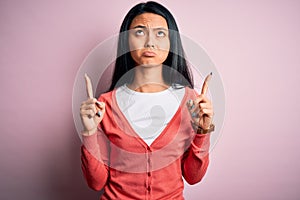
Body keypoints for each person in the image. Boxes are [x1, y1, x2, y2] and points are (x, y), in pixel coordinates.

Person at [79, 1, 214, 199]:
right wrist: (90, 132)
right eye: (140, 32)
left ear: (171, 42)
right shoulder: (105, 105)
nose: (150, 42)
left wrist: (203, 131)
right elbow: (96, 182)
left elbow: (193, 177)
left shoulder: (192, 102)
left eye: (160, 33)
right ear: (126, 41)